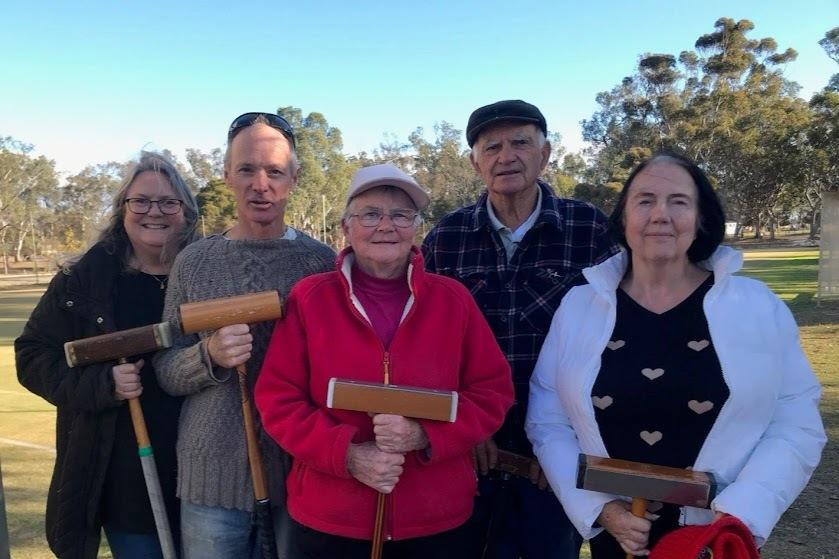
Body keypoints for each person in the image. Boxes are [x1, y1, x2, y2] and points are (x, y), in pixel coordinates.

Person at [526, 152, 826, 557]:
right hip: (619, 537)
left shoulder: (757, 306)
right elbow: (548, 419)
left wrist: (740, 513)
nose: (660, 215)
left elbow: (795, 420)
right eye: (645, 200)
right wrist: (602, 510)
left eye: (679, 201)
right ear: (624, 217)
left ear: (701, 218)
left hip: (714, 539)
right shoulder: (579, 306)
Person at [255, 163, 514, 559]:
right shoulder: (310, 299)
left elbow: (491, 392)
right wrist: (348, 455)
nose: (386, 226)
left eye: (400, 215)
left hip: (436, 518)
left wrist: (427, 435)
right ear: (346, 226)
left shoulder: (453, 300)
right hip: (331, 517)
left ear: (416, 227)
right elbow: (279, 400)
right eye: (371, 214)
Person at [422, 99, 620, 558]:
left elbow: (613, 340)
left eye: (520, 143)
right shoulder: (447, 239)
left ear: (546, 154)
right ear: (475, 163)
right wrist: (464, 428)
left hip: (555, 459)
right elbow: (429, 345)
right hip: (470, 452)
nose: (505, 156)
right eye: (491, 147)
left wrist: (566, 444)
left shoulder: (588, 229)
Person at [152, 112, 335, 558]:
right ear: (227, 175)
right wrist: (208, 355)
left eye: (274, 171)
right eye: (247, 169)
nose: (261, 184)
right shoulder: (193, 262)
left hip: (301, 476)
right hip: (209, 482)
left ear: (293, 179)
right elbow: (165, 369)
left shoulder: (322, 264)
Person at [16, 152, 199, 558]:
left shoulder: (207, 272)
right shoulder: (82, 280)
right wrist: (103, 385)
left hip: (206, 474)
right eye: (141, 201)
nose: (155, 212)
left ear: (186, 212)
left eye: (169, 202)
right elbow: (31, 357)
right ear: (122, 209)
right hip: (128, 476)